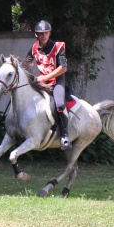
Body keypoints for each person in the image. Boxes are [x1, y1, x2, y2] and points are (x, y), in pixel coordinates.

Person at [23, 20, 74, 150]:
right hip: (42, 83)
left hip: (57, 81)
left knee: (60, 104)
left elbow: (63, 68)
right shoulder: (34, 48)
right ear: (36, 35)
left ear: (50, 33)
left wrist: (45, 77)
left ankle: (65, 136)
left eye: (46, 33)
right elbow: (25, 66)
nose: (44, 36)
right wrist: (31, 77)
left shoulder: (58, 46)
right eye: (41, 33)